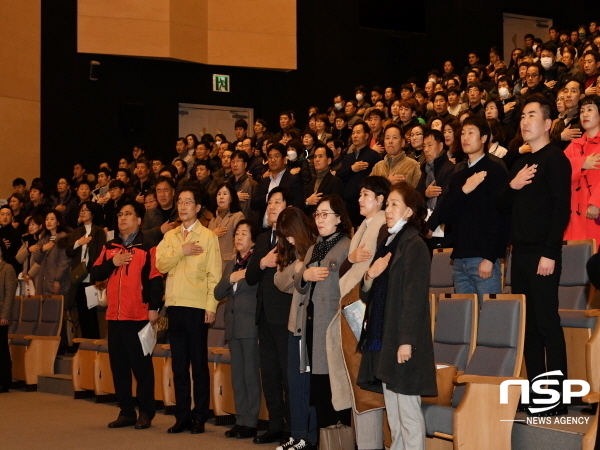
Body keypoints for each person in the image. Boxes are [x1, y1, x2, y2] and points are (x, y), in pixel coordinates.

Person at [497, 94, 571, 416]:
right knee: (528, 328)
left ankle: (557, 397)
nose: (525, 121)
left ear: (547, 123)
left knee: (547, 325)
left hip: (543, 254)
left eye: (531, 115)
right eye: (522, 116)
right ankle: (536, 393)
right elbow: (500, 207)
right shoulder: (518, 164)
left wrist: (551, 251)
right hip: (520, 256)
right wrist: (511, 185)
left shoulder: (556, 159)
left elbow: (561, 209)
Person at [357, 182, 436, 450]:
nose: (388, 209)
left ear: (409, 212)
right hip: (384, 337)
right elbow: (367, 294)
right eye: (387, 203)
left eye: (394, 204)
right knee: (394, 415)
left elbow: (414, 299)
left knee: (408, 414)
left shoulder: (415, 246)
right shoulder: (386, 242)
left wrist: (406, 341)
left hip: (403, 340)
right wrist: (370, 275)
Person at [91, 201, 164, 429]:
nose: (123, 218)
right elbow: (95, 273)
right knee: (119, 367)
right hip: (114, 316)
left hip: (139, 316)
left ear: (139, 220)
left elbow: (155, 279)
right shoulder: (110, 245)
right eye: (120, 214)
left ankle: (146, 412)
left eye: (129, 214)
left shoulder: (148, 245)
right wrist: (113, 262)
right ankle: (126, 411)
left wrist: (154, 308)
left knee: (141, 368)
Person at [156, 187, 222, 434]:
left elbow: (214, 274)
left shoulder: (207, 236)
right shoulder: (170, 236)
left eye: (188, 202)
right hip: (174, 306)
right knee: (179, 365)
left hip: (196, 307)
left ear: (197, 208)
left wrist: (211, 305)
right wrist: (181, 251)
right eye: (180, 202)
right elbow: (160, 263)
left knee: (199, 364)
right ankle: (182, 416)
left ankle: (199, 417)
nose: (183, 206)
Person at [330, 176, 389, 450]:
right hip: (352, 303)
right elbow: (346, 269)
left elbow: (373, 274)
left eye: (366, 194)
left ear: (380, 199)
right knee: (356, 379)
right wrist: (350, 260)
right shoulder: (364, 226)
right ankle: (364, 443)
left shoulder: (381, 227)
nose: (360, 199)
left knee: (363, 381)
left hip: (362, 307)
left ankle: (369, 444)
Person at [441, 115, 508, 307]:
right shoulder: (458, 176)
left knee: (490, 318)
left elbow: (501, 217)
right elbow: (445, 215)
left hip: (483, 259)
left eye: (471, 133)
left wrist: (490, 257)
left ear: (484, 138)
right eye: (462, 133)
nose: (465, 138)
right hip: (460, 260)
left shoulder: (495, 170)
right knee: (465, 324)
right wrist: (464, 190)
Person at [246, 187, 294, 444]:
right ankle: (275, 424)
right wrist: (262, 262)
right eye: (269, 203)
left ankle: (291, 428)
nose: (272, 207)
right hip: (264, 316)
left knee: (288, 375)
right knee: (270, 374)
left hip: (286, 316)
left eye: (278, 202)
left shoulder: (295, 237)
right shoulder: (264, 239)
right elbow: (251, 277)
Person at [273, 207, 318, 450]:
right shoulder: (296, 254)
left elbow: (306, 285)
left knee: (305, 384)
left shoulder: (316, 248)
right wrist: (299, 269)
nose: (288, 239)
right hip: (295, 324)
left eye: (290, 234)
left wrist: (301, 272)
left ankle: (306, 436)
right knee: (294, 383)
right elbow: (279, 281)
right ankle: (297, 433)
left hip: (309, 326)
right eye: (284, 236)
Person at [215, 220, 261, 439]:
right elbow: (218, 293)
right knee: (237, 377)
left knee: (251, 376)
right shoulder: (231, 264)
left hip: (250, 327)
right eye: (237, 234)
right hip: (232, 328)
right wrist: (231, 277)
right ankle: (240, 419)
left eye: (244, 233)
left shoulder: (256, 263)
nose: (239, 237)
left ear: (252, 239)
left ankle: (251, 422)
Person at [64, 202, 106, 339]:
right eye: (81, 210)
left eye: (86, 210)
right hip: (78, 278)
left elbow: (101, 253)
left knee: (91, 314)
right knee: (82, 313)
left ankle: (93, 343)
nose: (83, 212)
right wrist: (78, 243)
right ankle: (84, 343)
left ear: (92, 214)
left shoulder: (98, 231)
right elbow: (68, 252)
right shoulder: (76, 232)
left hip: (91, 277)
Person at [563, 95, 600, 242]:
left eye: (590, 109)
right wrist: (582, 163)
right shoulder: (574, 145)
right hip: (574, 214)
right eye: (582, 110)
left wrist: (597, 203)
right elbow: (559, 171)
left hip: (595, 211)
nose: (585, 114)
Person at [416, 129, 455, 251]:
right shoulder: (425, 169)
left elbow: (445, 201)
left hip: (443, 230)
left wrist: (431, 226)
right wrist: (425, 193)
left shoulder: (450, 169)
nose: (426, 149)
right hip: (425, 226)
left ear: (441, 146)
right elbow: (415, 196)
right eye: (424, 146)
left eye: (430, 145)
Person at [337, 121, 381, 227]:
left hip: (365, 204)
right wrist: (352, 169)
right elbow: (339, 177)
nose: (355, 136)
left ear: (366, 135)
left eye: (358, 132)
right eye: (353, 133)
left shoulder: (374, 156)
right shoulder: (347, 157)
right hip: (347, 205)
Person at [251, 144, 304, 229]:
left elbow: (297, 206)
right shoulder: (264, 181)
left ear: (284, 159)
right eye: (270, 157)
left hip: (284, 229)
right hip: (263, 230)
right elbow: (253, 203)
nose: (273, 160)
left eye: (276, 156)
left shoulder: (293, 180)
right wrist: (268, 197)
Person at [32, 210, 71, 297]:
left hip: (57, 280)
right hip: (43, 280)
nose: (49, 221)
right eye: (47, 219)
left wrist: (57, 280)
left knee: (55, 307)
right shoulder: (44, 239)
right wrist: (43, 249)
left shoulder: (63, 238)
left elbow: (64, 262)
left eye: (52, 219)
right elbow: (36, 259)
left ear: (58, 222)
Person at [208, 183, 245, 271]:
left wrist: (234, 261)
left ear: (232, 197)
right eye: (219, 194)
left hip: (228, 263)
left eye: (225, 194)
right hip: (211, 262)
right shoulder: (213, 219)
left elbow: (240, 241)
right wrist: (213, 235)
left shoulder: (237, 216)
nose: (221, 197)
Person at [304, 143, 344, 215]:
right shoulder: (311, 183)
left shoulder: (335, 182)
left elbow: (338, 207)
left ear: (329, 161)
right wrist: (307, 202)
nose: (317, 160)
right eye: (315, 157)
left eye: (320, 156)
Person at [141, 176, 178, 246]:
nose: (162, 195)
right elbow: (142, 235)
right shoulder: (150, 213)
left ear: (173, 192)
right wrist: (159, 230)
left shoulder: (180, 212)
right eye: (159, 191)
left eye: (165, 190)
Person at [0, 254, 17, 393]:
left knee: (1, 348)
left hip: (1, 314)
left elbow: (9, 293)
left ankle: (4, 381)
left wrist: (5, 315)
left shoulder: (7, 268)